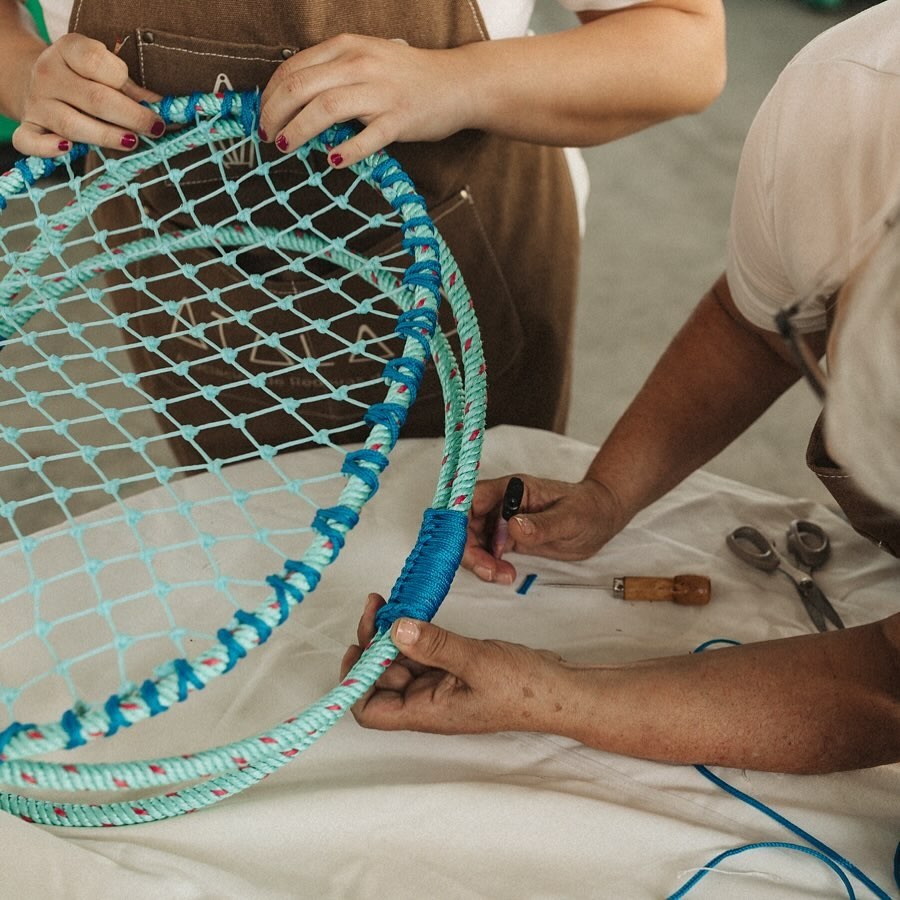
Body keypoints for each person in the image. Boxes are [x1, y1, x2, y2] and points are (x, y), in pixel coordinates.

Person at [342, 0, 900, 775]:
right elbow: (758, 326)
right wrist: (608, 494)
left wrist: (548, 697)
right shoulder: (839, 115)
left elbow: (888, 686)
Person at [0, 0, 726, 461]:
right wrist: (27, 71)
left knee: (474, 570)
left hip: (469, 276)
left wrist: (458, 81)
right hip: (198, 313)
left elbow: (686, 45)